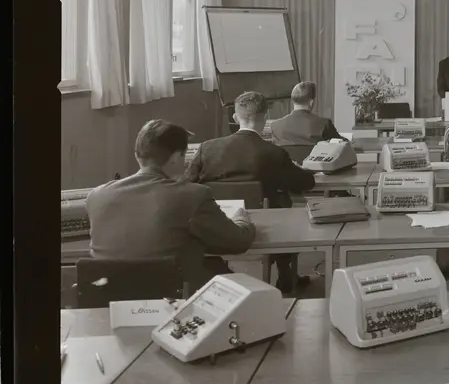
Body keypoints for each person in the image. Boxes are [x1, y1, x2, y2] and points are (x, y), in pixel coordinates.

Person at [87, 120, 256, 291]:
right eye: (184, 155)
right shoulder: (193, 195)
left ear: (137, 155)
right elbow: (238, 241)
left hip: (109, 298)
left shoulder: (96, 196)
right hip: (174, 298)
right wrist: (241, 217)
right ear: (176, 158)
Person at [187, 91, 315, 293]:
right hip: (266, 228)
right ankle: (286, 273)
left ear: (235, 117)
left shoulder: (207, 148)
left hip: (217, 225)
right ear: (265, 117)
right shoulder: (274, 153)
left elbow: (187, 184)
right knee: (286, 206)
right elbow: (305, 183)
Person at [267, 81, 341, 147]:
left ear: (293, 100)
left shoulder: (275, 126)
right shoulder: (324, 124)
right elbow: (342, 145)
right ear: (311, 102)